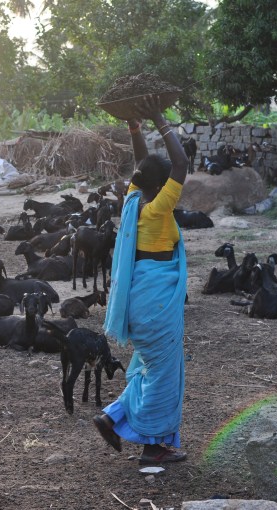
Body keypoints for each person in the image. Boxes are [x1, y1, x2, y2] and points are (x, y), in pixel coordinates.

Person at [93, 94, 189, 465]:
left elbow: (140, 163)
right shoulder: (160, 208)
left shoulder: (133, 200)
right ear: (163, 185)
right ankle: (152, 448)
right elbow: (181, 162)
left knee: (152, 367)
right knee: (163, 374)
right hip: (156, 301)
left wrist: (134, 126)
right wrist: (160, 119)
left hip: (141, 297)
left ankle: (112, 417)